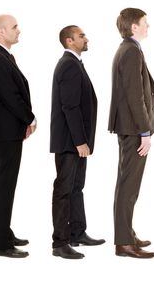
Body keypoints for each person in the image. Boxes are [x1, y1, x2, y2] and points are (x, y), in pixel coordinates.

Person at [0, 14, 36, 258]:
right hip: (5, 133)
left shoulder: (2, 56)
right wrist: (30, 118)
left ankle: (4, 232)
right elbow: (11, 96)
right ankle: (0, 244)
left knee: (7, 186)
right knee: (4, 186)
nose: (19, 30)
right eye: (14, 27)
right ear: (1, 32)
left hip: (9, 132)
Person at [50, 25, 105, 260]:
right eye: (81, 35)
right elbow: (70, 107)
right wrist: (80, 141)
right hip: (70, 142)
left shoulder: (75, 64)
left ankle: (77, 232)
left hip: (77, 142)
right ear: (69, 41)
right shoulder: (69, 65)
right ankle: (60, 243)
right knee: (63, 190)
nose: (86, 38)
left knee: (76, 188)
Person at [109, 8, 154, 259]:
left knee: (128, 186)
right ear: (133, 27)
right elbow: (134, 95)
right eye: (144, 23)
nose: (148, 26)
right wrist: (144, 131)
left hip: (129, 129)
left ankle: (127, 234)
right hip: (133, 130)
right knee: (129, 187)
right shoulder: (130, 51)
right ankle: (123, 243)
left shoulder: (130, 49)